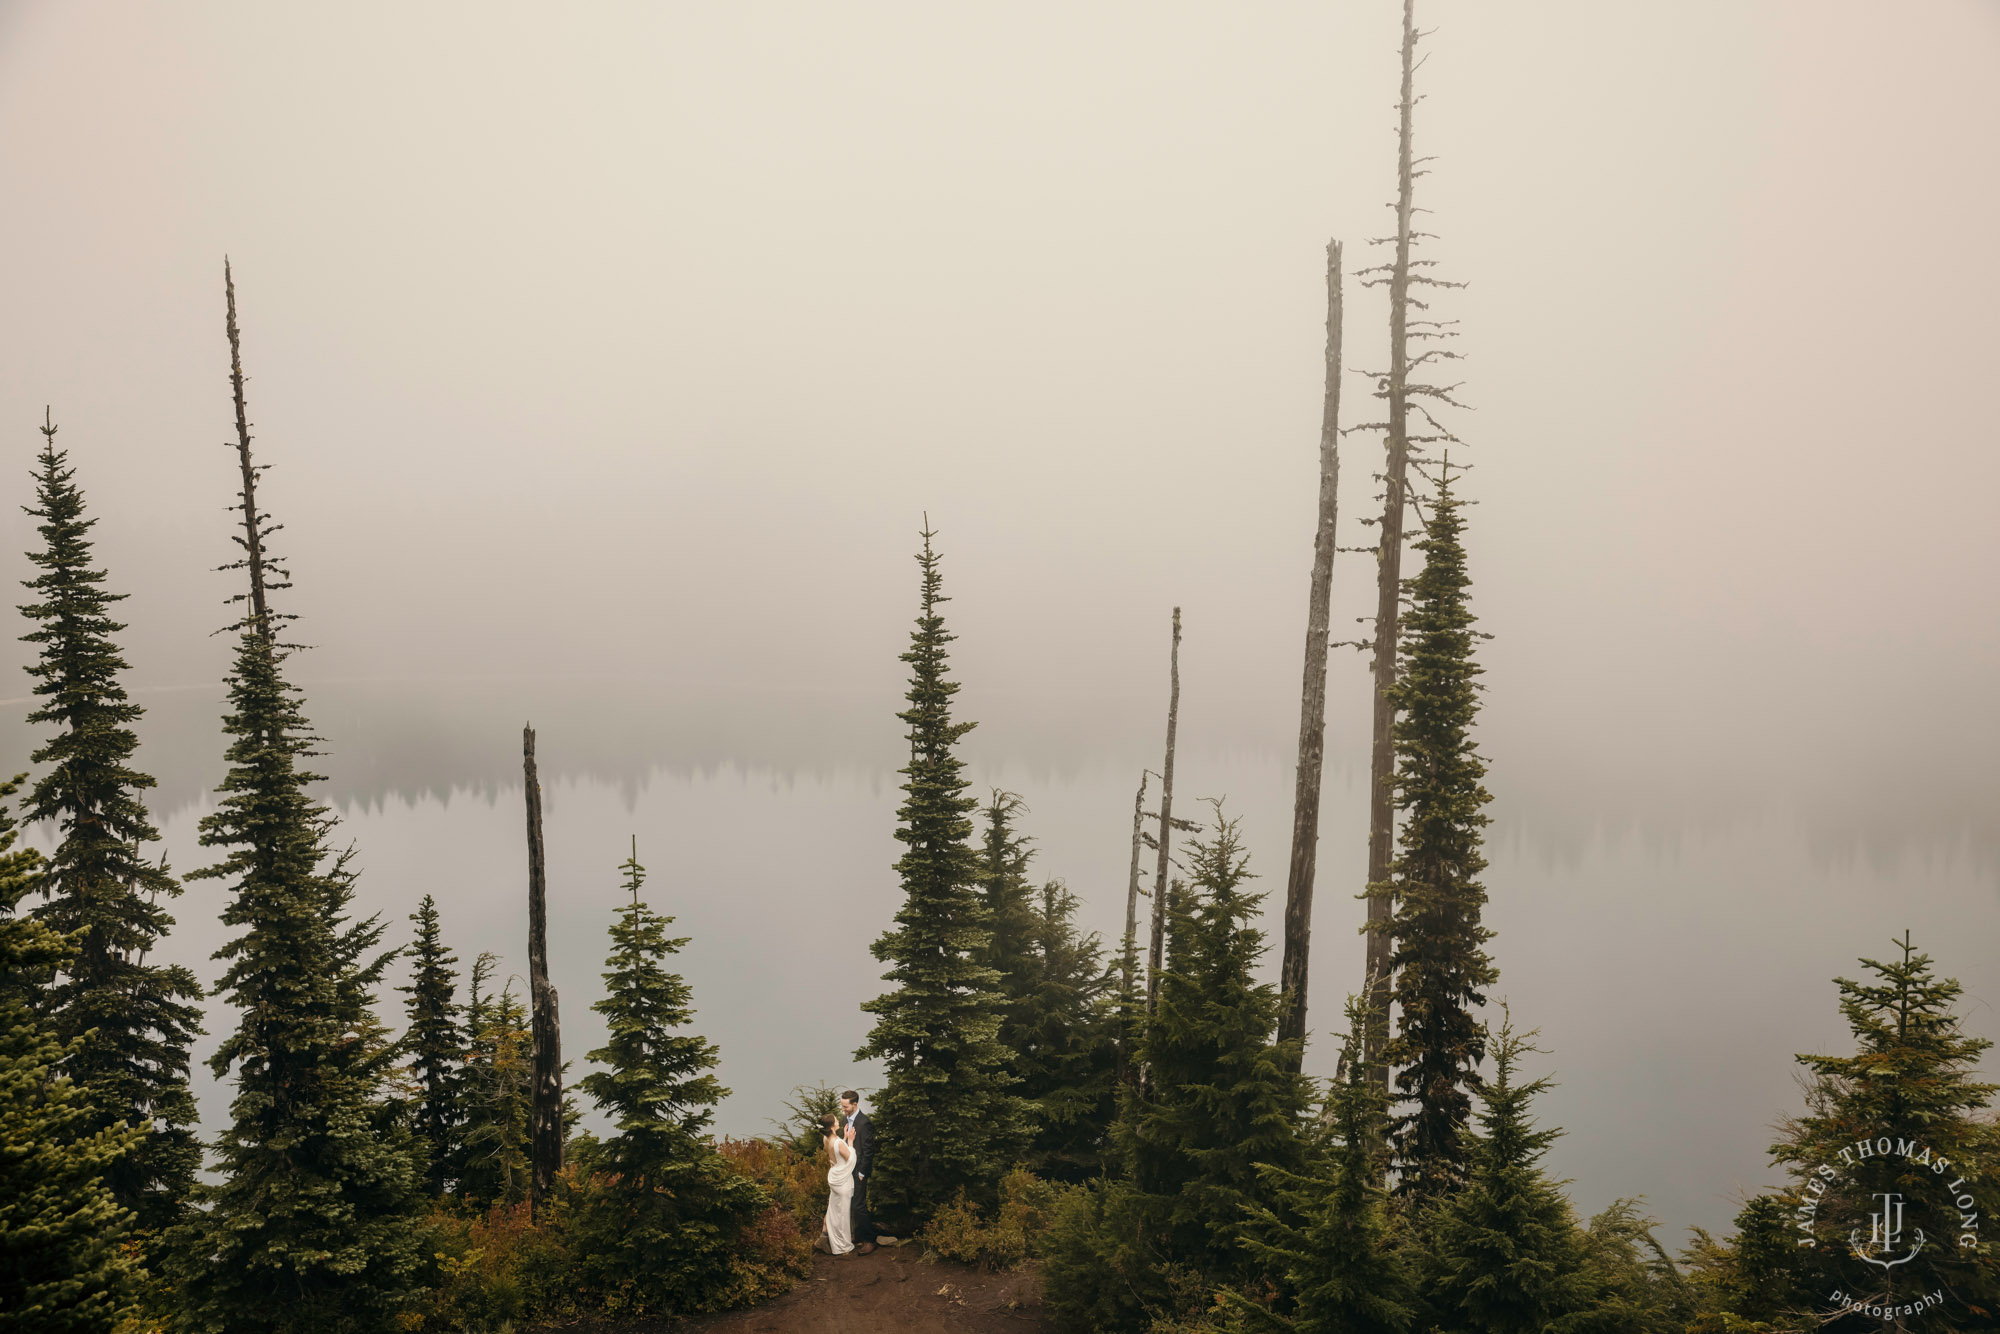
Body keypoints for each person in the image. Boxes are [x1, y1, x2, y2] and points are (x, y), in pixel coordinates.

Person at [840, 1090, 877, 1253]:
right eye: (842, 1105)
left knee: (859, 1205)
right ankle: (858, 1235)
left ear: (855, 1104)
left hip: (859, 1171)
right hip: (847, 1169)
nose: (843, 1109)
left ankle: (869, 1240)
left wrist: (862, 1173)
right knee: (850, 1203)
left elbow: (868, 1151)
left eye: (846, 1106)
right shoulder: (844, 1120)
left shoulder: (864, 1122)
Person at [821, 1113, 855, 1255]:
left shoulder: (826, 1138)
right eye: (835, 1120)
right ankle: (842, 1246)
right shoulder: (839, 1143)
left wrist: (845, 1137)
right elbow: (850, 1159)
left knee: (834, 1210)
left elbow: (834, 1152)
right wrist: (851, 1142)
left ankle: (826, 1235)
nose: (837, 1120)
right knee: (842, 1214)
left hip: (834, 1176)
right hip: (842, 1182)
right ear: (832, 1126)